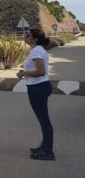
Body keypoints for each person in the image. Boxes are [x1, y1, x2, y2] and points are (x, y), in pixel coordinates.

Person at [17, 28, 55, 160]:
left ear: (35, 39)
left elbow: (41, 71)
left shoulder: (36, 51)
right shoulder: (37, 50)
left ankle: (48, 151)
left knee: (44, 120)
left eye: (28, 35)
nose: (25, 37)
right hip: (39, 86)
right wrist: (25, 72)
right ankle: (44, 147)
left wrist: (23, 73)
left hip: (38, 88)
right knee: (43, 119)